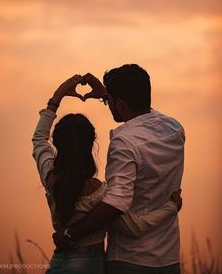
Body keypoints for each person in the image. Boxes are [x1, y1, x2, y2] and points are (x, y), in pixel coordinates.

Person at [32, 74, 183, 274]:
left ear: (57, 143)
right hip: (94, 264)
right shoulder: (100, 194)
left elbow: (39, 140)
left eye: (111, 101)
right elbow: (133, 224)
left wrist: (57, 98)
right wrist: (172, 207)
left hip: (59, 263)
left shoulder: (50, 180)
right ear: (91, 144)